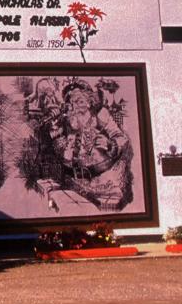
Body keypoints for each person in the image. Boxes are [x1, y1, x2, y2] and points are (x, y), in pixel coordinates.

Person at [50, 80, 132, 211]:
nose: (75, 106)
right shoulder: (66, 122)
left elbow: (121, 138)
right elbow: (57, 147)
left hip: (104, 182)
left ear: (88, 102)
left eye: (79, 101)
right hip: (75, 183)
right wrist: (63, 149)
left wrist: (110, 144)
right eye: (71, 102)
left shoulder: (100, 115)